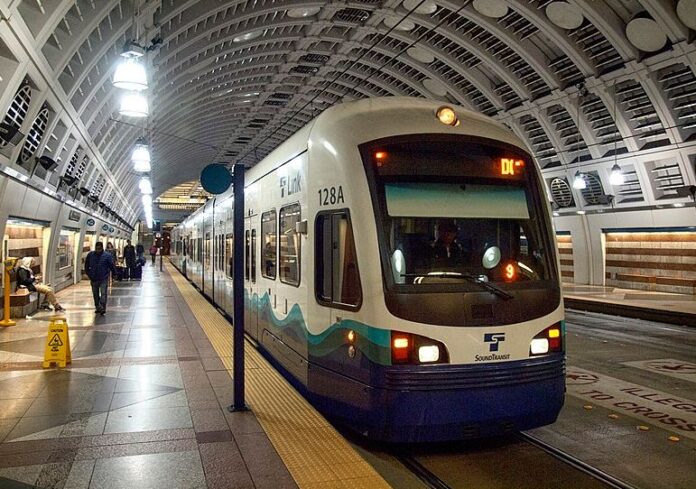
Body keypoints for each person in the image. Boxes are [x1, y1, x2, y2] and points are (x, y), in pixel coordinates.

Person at [85, 242, 117, 315]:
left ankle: (102, 307)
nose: (98, 250)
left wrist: (115, 273)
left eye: (99, 249)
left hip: (103, 278)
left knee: (103, 293)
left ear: (102, 248)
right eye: (97, 248)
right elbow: (86, 265)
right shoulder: (90, 255)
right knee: (95, 294)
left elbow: (111, 265)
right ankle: (97, 306)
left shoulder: (107, 256)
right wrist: (89, 274)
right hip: (94, 278)